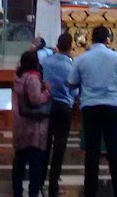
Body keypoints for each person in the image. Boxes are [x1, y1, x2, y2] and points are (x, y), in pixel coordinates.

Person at [69, 25, 117, 197]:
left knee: (92, 152)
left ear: (91, 38)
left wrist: (86, 82)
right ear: (107, 39)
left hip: (90, 107)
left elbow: (71, 83)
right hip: (112, 106)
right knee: (114, 151)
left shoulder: (82, 58)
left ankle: (90, 191)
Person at [42, 32, 80, 197]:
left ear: (57, 45)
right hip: (64, 106)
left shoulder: (47, 61)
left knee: (45, 144)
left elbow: (42, 80)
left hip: (48, 104)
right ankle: (54, 185)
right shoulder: (72, 66)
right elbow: (75, 90)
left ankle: (39, 180)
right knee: (59, 147)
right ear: (70, 47)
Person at [12, 49, 52, 197]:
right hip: (33, 125)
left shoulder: (18, 76)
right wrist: (46, 92)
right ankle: (33, 192)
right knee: (35, 162)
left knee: (19, 160)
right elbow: (35, 100)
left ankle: (17, 190)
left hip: (20, 122)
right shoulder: (33, 78)